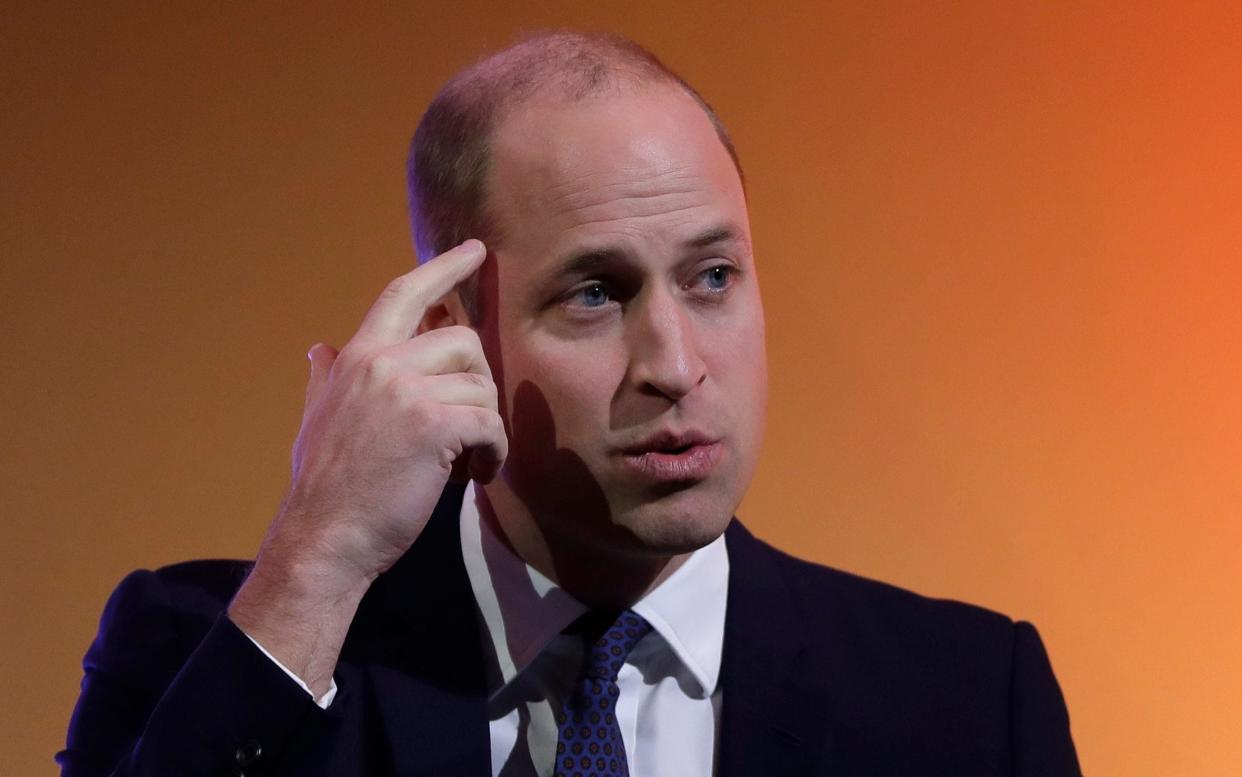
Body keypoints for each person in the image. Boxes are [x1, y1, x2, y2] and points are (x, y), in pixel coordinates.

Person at [59, 31, 1082, 777]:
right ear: (455, 333)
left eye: (713, 277)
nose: (676, 365)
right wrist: (316, 564)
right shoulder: (214, 645)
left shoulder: (967, 700)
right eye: (596, 293)